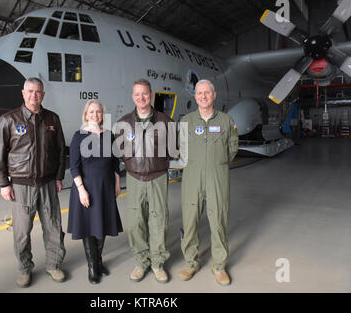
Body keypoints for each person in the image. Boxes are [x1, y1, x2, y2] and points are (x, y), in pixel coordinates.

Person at [0, 77, 67, 288]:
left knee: (53, 227)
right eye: (30, 91)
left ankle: (54, 265)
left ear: (43, 95)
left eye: (38, 92)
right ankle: (25, 269)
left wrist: (59, 177)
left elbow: (61, 151)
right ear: (23, 93)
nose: (34, 95)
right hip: (21, 186)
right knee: (22, 232)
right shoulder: (9, 119)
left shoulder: (53, 119)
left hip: (48, 183)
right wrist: (3, 184)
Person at [114, 78, 175, 284]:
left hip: (157, 177)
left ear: (151, 95)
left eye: (145, 94)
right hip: (134, 178)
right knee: (136, 222)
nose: (141, 97)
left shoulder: (165, 121)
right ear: (133, 96)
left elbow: (173, 149)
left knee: (159, 221)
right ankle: (141, 262)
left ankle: (158, 263)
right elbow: (119, 151)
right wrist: (131, 163)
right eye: (137, 94)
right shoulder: (123, 123)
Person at [178, 79, 238, 286]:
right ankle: (190, 262)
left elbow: (232, 148)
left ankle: (219, 265)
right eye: (199, 93)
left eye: (206, 93)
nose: (203, 96)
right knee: (190, 221)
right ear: (195, 97)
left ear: (214, 95)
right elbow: (182, 148)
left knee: (218, 220)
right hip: (192, 176)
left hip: (217, 176)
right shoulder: (186, 121)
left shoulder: (226, 121)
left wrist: (217, 163)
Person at [68, 100, 123, 284]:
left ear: (102, 115)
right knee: (89, 227)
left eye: (98, 112)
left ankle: (98, 260)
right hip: (87, 188)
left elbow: (115, 162)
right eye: (91, 112)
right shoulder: (79, 136)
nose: (95, 115)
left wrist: (117, 183)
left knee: (103, 224)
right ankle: (93, 266)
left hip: (106, 187)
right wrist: (81, 190)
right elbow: (74, 167)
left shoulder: (109, 136)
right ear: (86, 114)